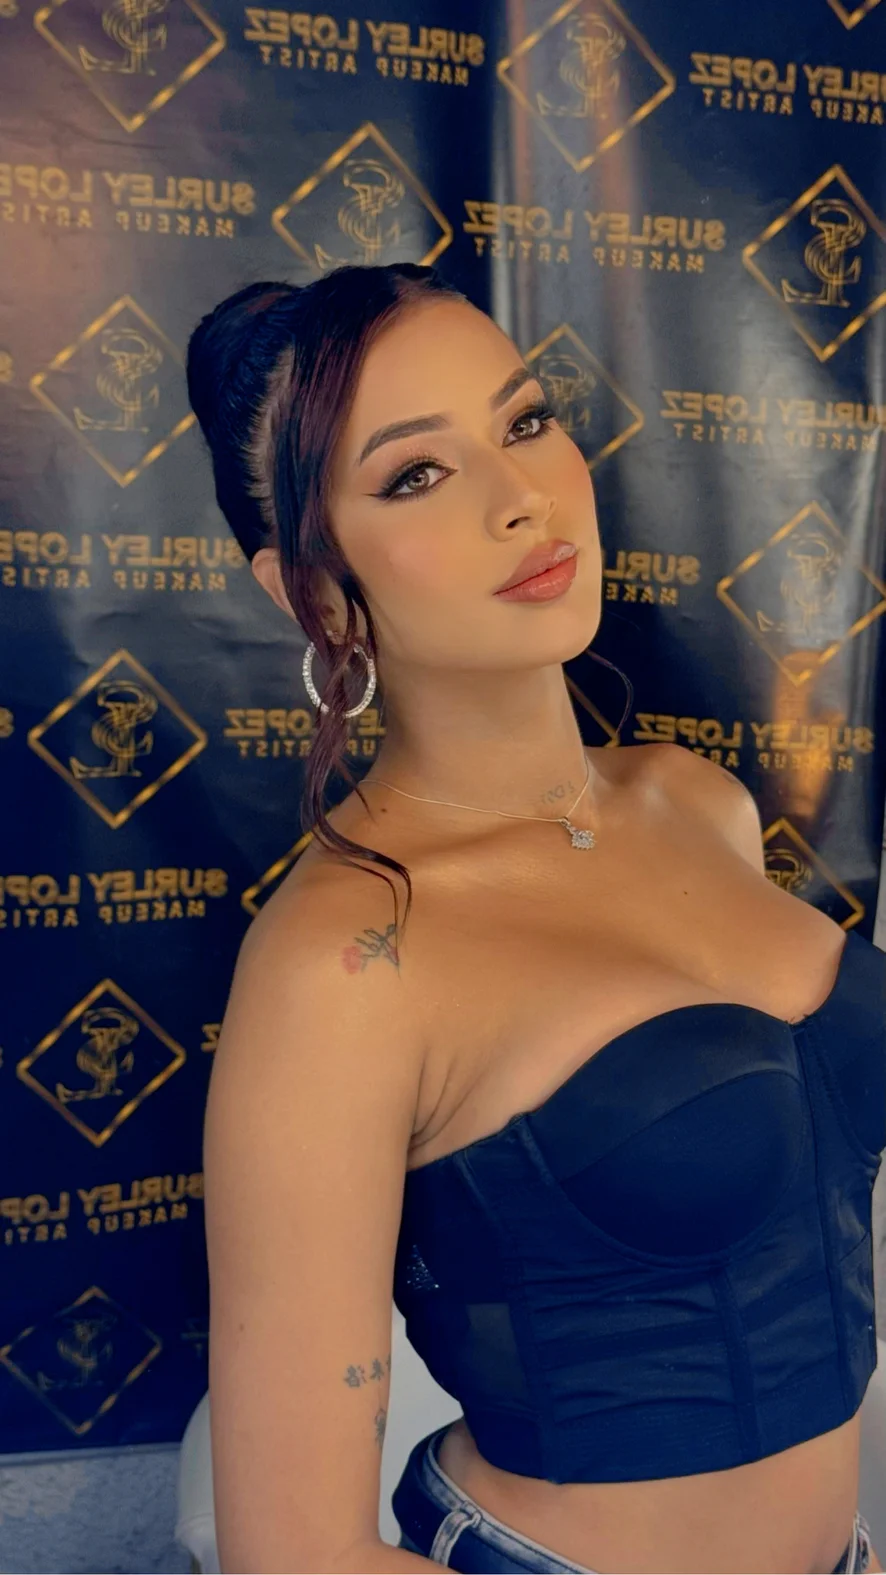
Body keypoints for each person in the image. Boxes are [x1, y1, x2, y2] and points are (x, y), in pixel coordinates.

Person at [186, 262, 885, 1575]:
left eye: (524, 420)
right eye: (414, 474)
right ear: (314, 592)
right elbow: (299, 1556)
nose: (521, 496)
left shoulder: (698, 802)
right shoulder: (344, 962)